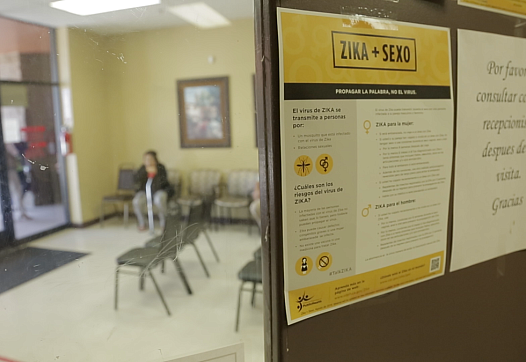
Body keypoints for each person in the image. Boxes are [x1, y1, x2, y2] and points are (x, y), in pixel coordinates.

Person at [133, 151, 173, 231]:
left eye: (150, 159)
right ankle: (143, 223)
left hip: (159, 190)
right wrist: (145, 171)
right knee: (136, 201)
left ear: (155, 159)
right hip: (145, 192)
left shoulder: (161, 167)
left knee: (159, 200)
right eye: (145, 159)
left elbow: (163, 182)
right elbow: (136, 180)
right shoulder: (142, 168)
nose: (147, 161)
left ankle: (164, 223)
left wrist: (155, 173)